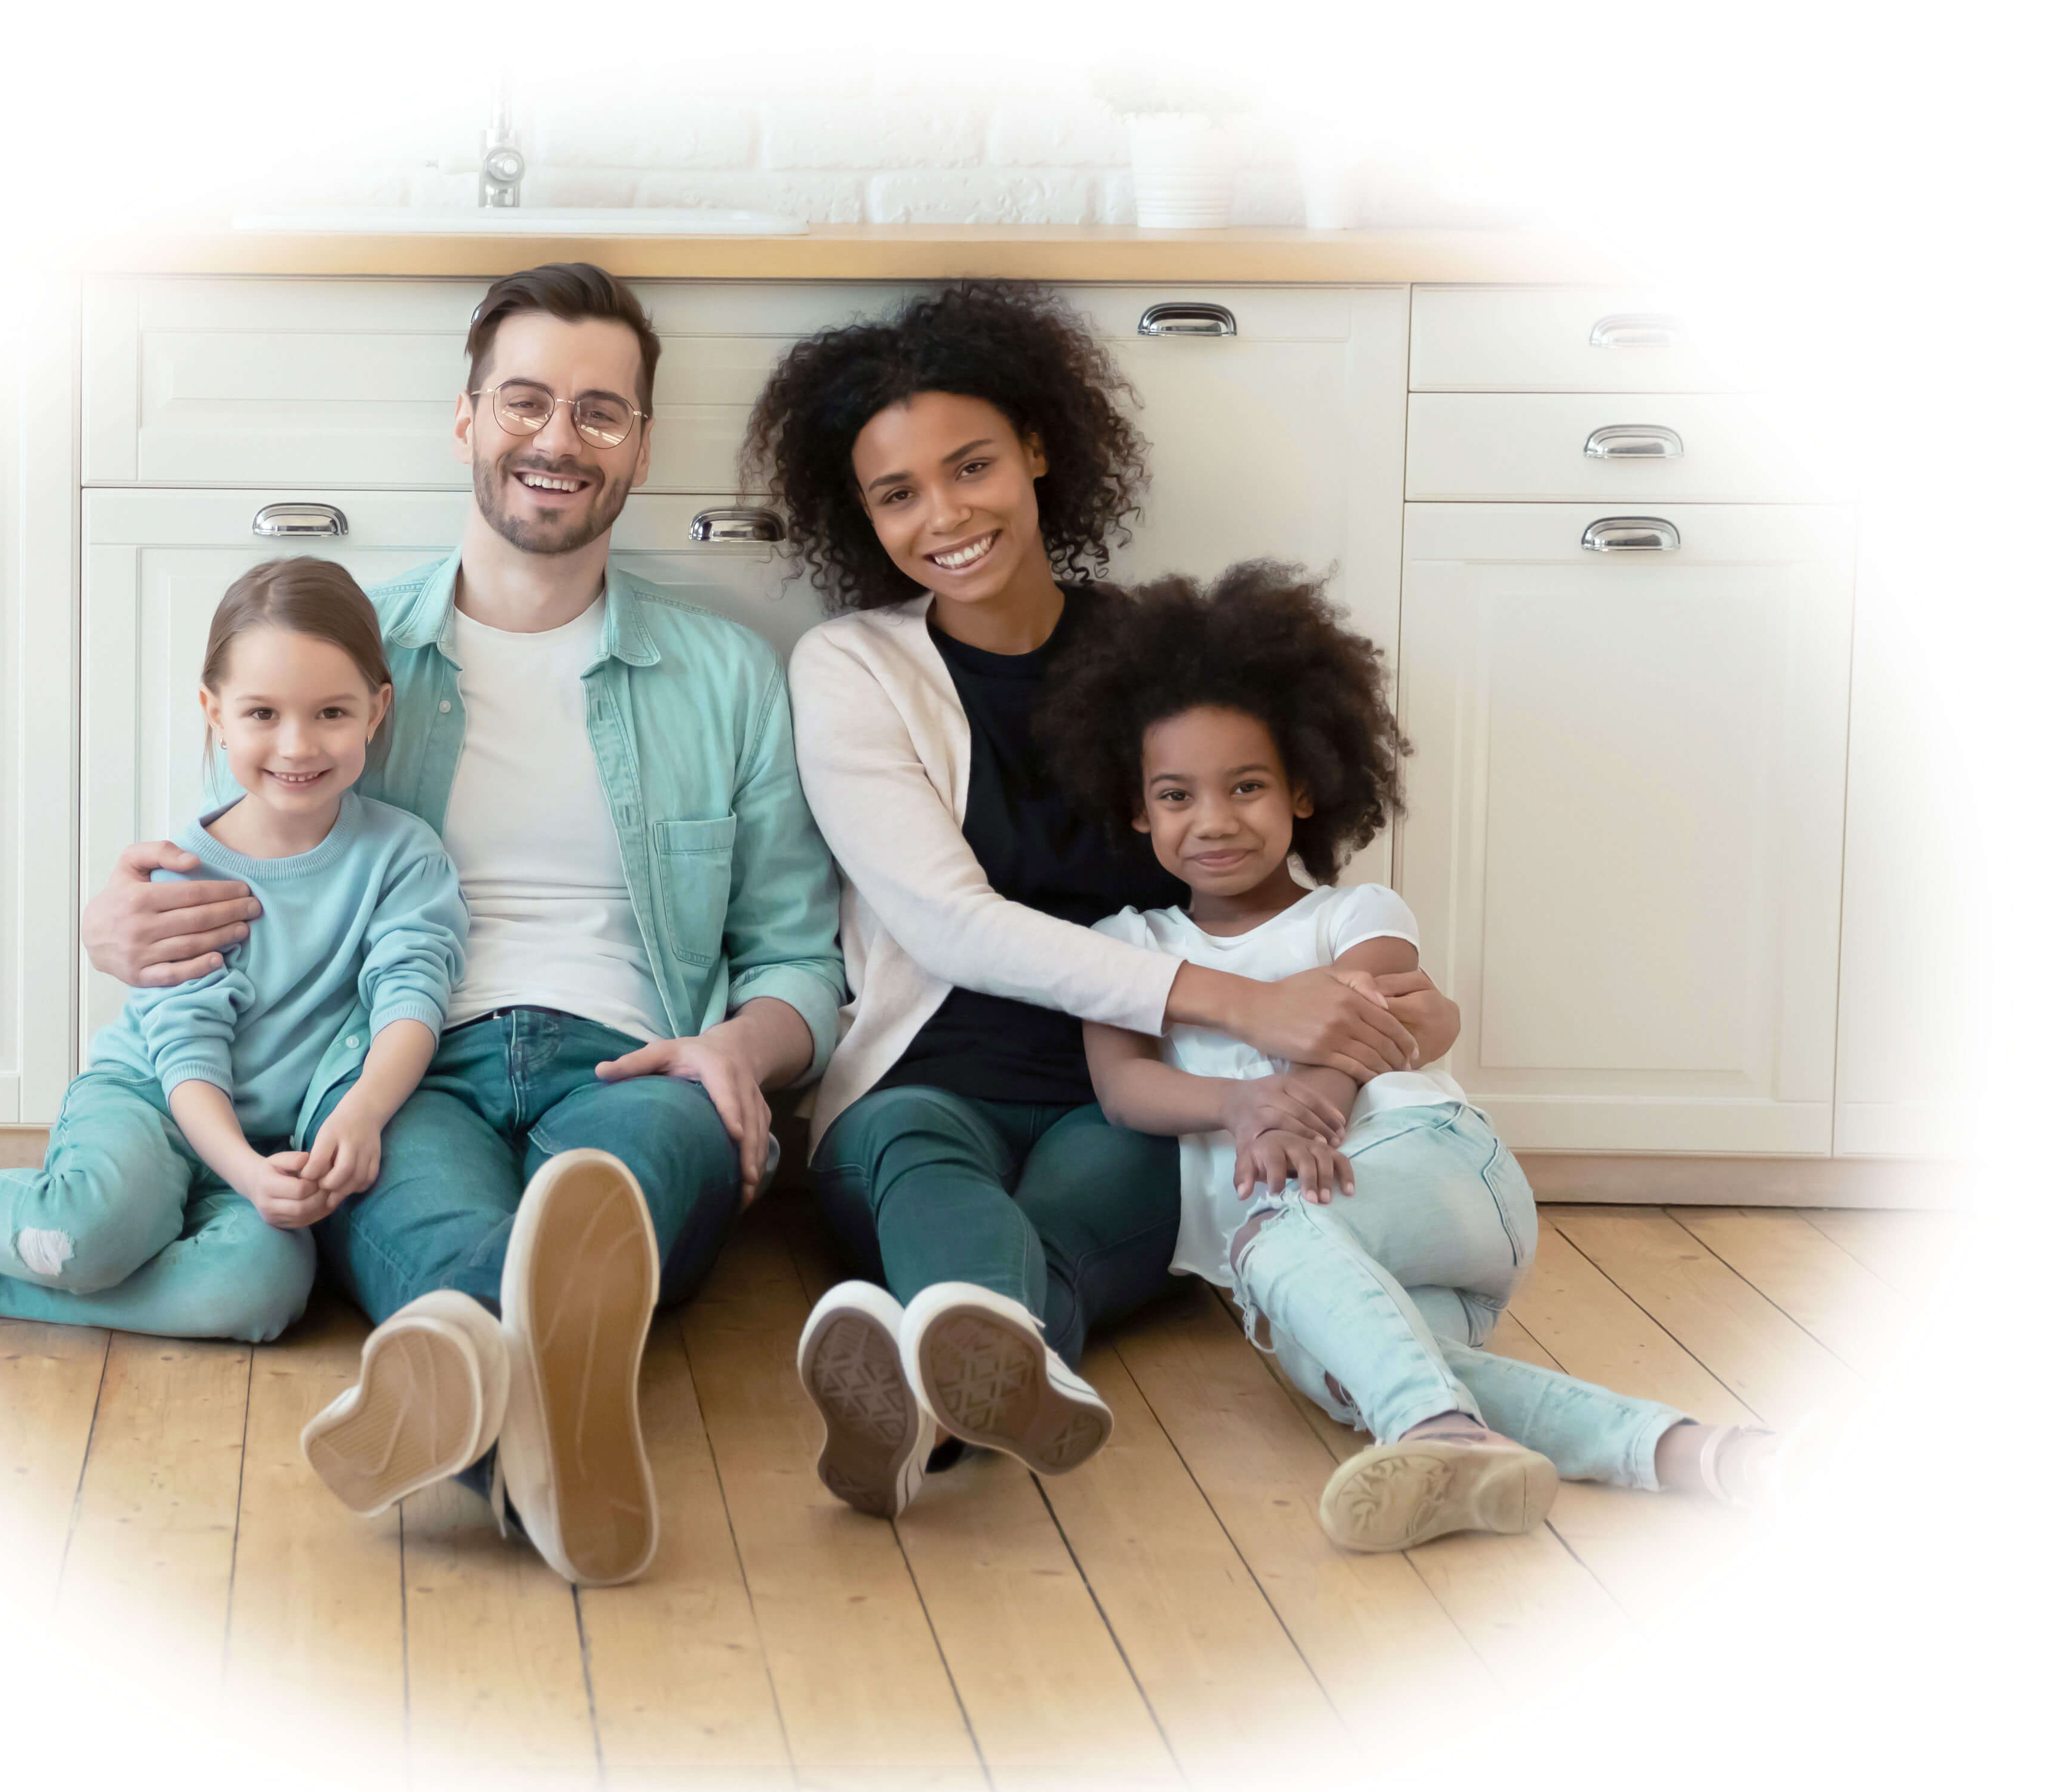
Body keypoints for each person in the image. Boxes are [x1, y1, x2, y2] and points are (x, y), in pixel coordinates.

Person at [78, 264, 844, 1587]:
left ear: (643, 446)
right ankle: (549, 1438)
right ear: (466, 418)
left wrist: (743, 1051)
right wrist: (119, 926)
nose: (558, 440)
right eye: (527, 402)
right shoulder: (345, 654)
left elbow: (795, 953)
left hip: (641, 1060)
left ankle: (472, 1414)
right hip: (399, 1064)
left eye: (600, 412)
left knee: (610, 1192)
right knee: (422, 1218)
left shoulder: (725, 673)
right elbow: (226, 874)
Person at [748, 281, 1458, 1519]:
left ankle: (924, 1408)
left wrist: (1345, 1009)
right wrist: (1254, 1005)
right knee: (923, 1167)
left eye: (971, 465)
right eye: (898, 492)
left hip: (1133, 1086)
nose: (945, 515)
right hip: (922, 1078)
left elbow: (1270, 858)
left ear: (1037, 447)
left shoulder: (1166, 653)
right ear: (860, 516)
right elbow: (948, 923)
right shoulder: (852, 665)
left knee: (1080, 1214)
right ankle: (976, 1377)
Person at [1040, 561, 1784, 1553]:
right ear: (1136, 808)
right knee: (1355, 1371)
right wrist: (1239, 1108)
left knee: (1277, 1242)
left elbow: (1386, 1021)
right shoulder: (1126, 944)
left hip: (1434, 1174)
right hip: (1336, 1259)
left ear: (1304, 786)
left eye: (1247, 786)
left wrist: (1306, 1096)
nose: (1211, 819)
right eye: (1176, 795)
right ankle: (1709, 1455)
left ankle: (1436, 1439)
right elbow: (1125, 1089)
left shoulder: (1356, 911)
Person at [0, 558, 465, 1347]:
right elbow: (187, 1055)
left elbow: (411, 994)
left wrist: (358, 1115)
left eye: (331, 712)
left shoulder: (404, 859)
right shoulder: (183, 877)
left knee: (264, 1287)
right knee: (94, 1226)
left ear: (377, 711)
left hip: (269, 1144)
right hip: (152, 1101)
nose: (298, 744)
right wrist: (244, 1171)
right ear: (214, 713)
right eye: (263, 713)